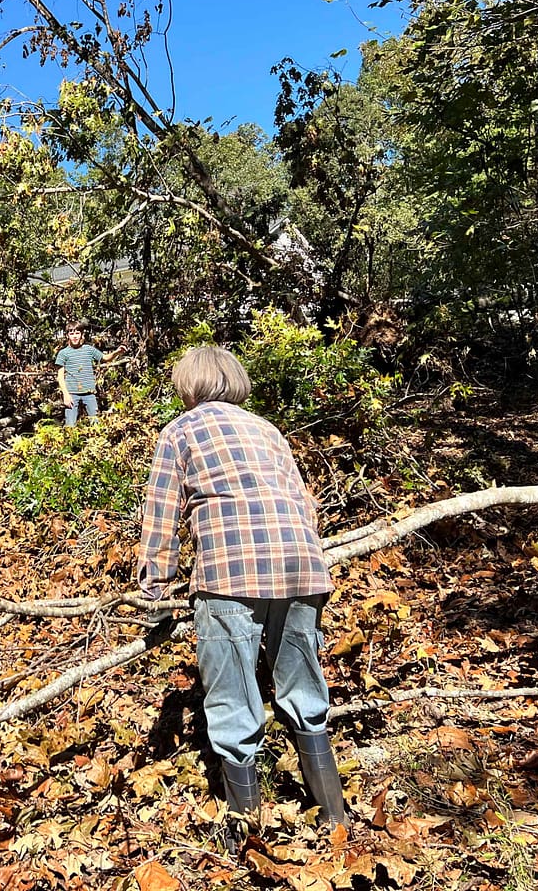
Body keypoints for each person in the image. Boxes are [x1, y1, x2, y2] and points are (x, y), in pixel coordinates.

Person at [136, 345, 346, 826]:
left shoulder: (178, 432)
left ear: (187, 386)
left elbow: (160, 521)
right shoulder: (267, 429)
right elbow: (303, 503)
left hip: (229, 573)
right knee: (303, 688)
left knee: (232, 701)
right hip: (300, 567)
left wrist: (156, 596)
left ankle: (246, 831)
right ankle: (336, 821)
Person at [54, 323, 125, 426]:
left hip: (89, 393)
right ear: (67, 335)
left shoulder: (89, 350)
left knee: (96, 423)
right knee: (70, 426)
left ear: (82, 334)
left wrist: (117, 352)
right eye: (72, 333)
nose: (75, 336)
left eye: (77, 333)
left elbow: (105, 358)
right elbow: (60, 377)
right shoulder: (63, 353)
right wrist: (66, 395)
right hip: (72, 394)